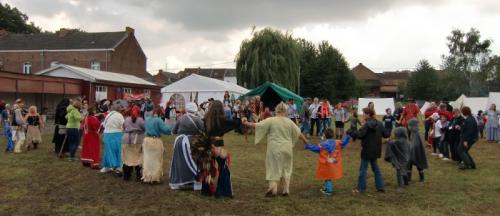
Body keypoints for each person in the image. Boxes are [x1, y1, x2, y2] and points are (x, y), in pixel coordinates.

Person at [243, 102, 308, 197]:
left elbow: (257, 125)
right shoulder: (290, 122)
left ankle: (273, 188)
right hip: (287, 149)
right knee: (286, 168)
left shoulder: (271, 120)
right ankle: (286, 189)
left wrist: (245, 122)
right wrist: (306, 141)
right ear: (286, 111)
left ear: (276, 110)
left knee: (273, 167)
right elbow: (299, 133)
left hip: (274, 149)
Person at [191, 100, 239, 198]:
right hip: (219, 148)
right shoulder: (222, 120)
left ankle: (206, 191)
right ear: (221, 109)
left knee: (208, 169)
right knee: (224, 168)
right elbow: (235, 123)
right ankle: (223, 192)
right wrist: (241, 119)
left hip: (207, 147)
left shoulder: (205, 119)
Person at [353, 107, 390, 193]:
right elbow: (386, 134)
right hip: (376, 150)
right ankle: (380, 187)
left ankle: (361, 188)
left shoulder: (367, 125)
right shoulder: (379, 123)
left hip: (367, 150)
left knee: (363, 169)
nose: (362, 115)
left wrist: (351, 132)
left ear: (368, 114)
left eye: (363, 113)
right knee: (376, 168)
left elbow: (360, 135)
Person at [169, 102, 204, 190]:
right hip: (192, 142)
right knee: (193, 161)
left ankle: (181, 180)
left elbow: (173, 131)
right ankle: (192, 180)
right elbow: (205, 130)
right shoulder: (197, 119)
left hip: (179, 141)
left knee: (180, 162)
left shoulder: (180, 119)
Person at [304, 128, 350, 195]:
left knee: (327, 177)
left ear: (325, 135)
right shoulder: (338, 143)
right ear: (333, 135)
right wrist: (348, 136)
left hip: (326, 164)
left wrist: (308, 146)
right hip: (334, 164)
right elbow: (344, 142)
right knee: (327, 177)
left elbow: (315, 148)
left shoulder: (323, 144)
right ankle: (326, 188)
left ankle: (328, 191)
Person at [142, 107, 172, 183]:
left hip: (146, 140)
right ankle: (154, 178)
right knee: (156, 160)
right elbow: (166, 130)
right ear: (160, 113)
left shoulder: (147, 119)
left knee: (147, 159)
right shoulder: (158, 120)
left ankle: (147, 177)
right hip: (155, 141)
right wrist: (173, 127)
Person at [100, 101, 125, 173]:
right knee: (118, 151)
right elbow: (123, 124)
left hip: (107, 134)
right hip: (117, 134)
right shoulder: (120, 115)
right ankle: (118, 167)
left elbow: (104, 125)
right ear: (119, 109)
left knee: (108, 151)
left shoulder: (108, 114)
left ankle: (107, 166)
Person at [122, 105, 145, 181]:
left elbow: (124, 127)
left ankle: (126, 176)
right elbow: (145, 128)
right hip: (137, 140)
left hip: (126, 139)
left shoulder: (127, 119)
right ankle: (138, 176)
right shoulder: (140, 120)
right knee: (138, 157)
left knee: (127, 158)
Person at [384, 127, 410, 192]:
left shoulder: (399, 141)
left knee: (399, 171)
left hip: (401, 159)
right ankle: (406, 182)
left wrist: (388, 141)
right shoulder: (406, 140)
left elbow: (392, 143)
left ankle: (401, 186)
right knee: (404, 170)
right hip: (406, 158)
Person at [406, 119, 428, 184]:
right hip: (411, 152)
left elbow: (416, 144)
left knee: (419, 166)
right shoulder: (412, 133)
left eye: (409, 126)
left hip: (418, 153)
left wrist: (411, 148)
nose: (408, 127)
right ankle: (408, 179)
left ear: (412, 126)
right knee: (408, 165)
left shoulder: (417, 134)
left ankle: (422, 180)